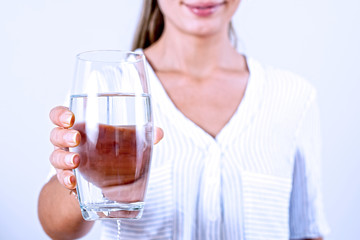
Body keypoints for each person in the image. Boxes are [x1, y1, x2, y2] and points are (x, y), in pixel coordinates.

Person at [38, 0, 330, 239]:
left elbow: (307, 231)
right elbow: (56, 227)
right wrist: (82, 179)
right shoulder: (105, 86)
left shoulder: (293, 97)